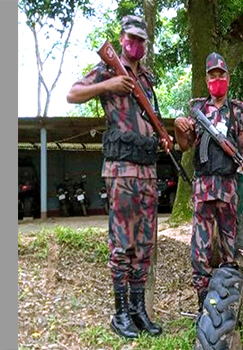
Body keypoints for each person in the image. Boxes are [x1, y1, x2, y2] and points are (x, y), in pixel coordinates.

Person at [67, 15, 162, 339]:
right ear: (121, 39)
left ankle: (137, 311)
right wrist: (108, 85)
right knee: (122, 245)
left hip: (147, 173)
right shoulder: (108, 70)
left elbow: (151, 119)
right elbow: (73, 94)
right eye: (131, 38)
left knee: (144, 245)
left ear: (146, 46)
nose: (135, 45)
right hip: (121, 173)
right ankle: (120, 313)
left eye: (141, 41)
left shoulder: (147, 79)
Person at [173, 52, 243, 312]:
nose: (217, 79)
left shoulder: (237, 110)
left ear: (228, 77)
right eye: (212, 75)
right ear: (207, 79)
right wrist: (178, 128)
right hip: (203, 185)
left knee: (230, 245)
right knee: (201, 246)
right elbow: (185, 145)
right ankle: (202, 303)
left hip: (228, 185)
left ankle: (227, 301)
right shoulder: (197, 109)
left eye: (222, 74)